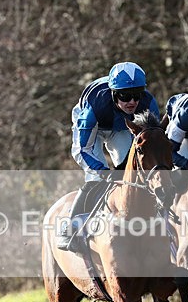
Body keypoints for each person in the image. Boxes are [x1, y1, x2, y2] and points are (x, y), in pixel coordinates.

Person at [59, 61, 160, 252]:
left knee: (132, 172)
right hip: (92, 130)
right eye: (125, 96)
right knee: (96, 178)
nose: (132, 102)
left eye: (136, 95)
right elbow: (82, 150)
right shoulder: (94, 107)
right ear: (114, 94)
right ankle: (70, 227)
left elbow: (151, 143)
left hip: (121, 128)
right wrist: (103, 172)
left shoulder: (149, 104)